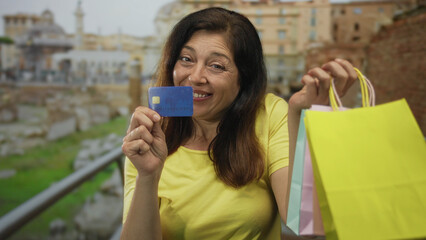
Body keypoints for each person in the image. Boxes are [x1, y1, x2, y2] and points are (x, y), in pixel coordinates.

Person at [121, 7, 357, 240]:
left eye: (216, 66)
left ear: (243, 79)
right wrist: (148, 175)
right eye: (186, 59)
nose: (195, 77)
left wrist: (307, 118)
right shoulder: (149, 137)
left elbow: (304, 224)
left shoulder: (270, 114)